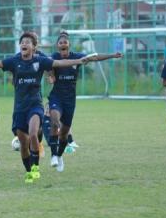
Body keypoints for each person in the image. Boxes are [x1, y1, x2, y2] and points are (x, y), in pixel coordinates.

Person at [0, 31, 90, 183]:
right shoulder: (14, 61)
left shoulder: (40, 61)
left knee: (32, 133)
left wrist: (79, 61)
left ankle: (36, 167)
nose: (24, 44)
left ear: (33, 47)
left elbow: (59, 63)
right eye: (22, 42)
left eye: (28, 42)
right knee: (23, 144)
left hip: (35, 106)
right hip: (19, 109)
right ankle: (29, 170)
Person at [48, 31, 122, 172]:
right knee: (55, 121)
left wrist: (112, 55)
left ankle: (59, 155)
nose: (63, 43)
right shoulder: (54, 57)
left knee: (64, 133)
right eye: (60, 42)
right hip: (56, 96)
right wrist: (51, 75)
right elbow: (45, 66)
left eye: (65, 42)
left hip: (70, 100)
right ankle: (53, 155)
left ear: (69, 44)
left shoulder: (77, 57)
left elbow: (94, 57)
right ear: (57, 46)